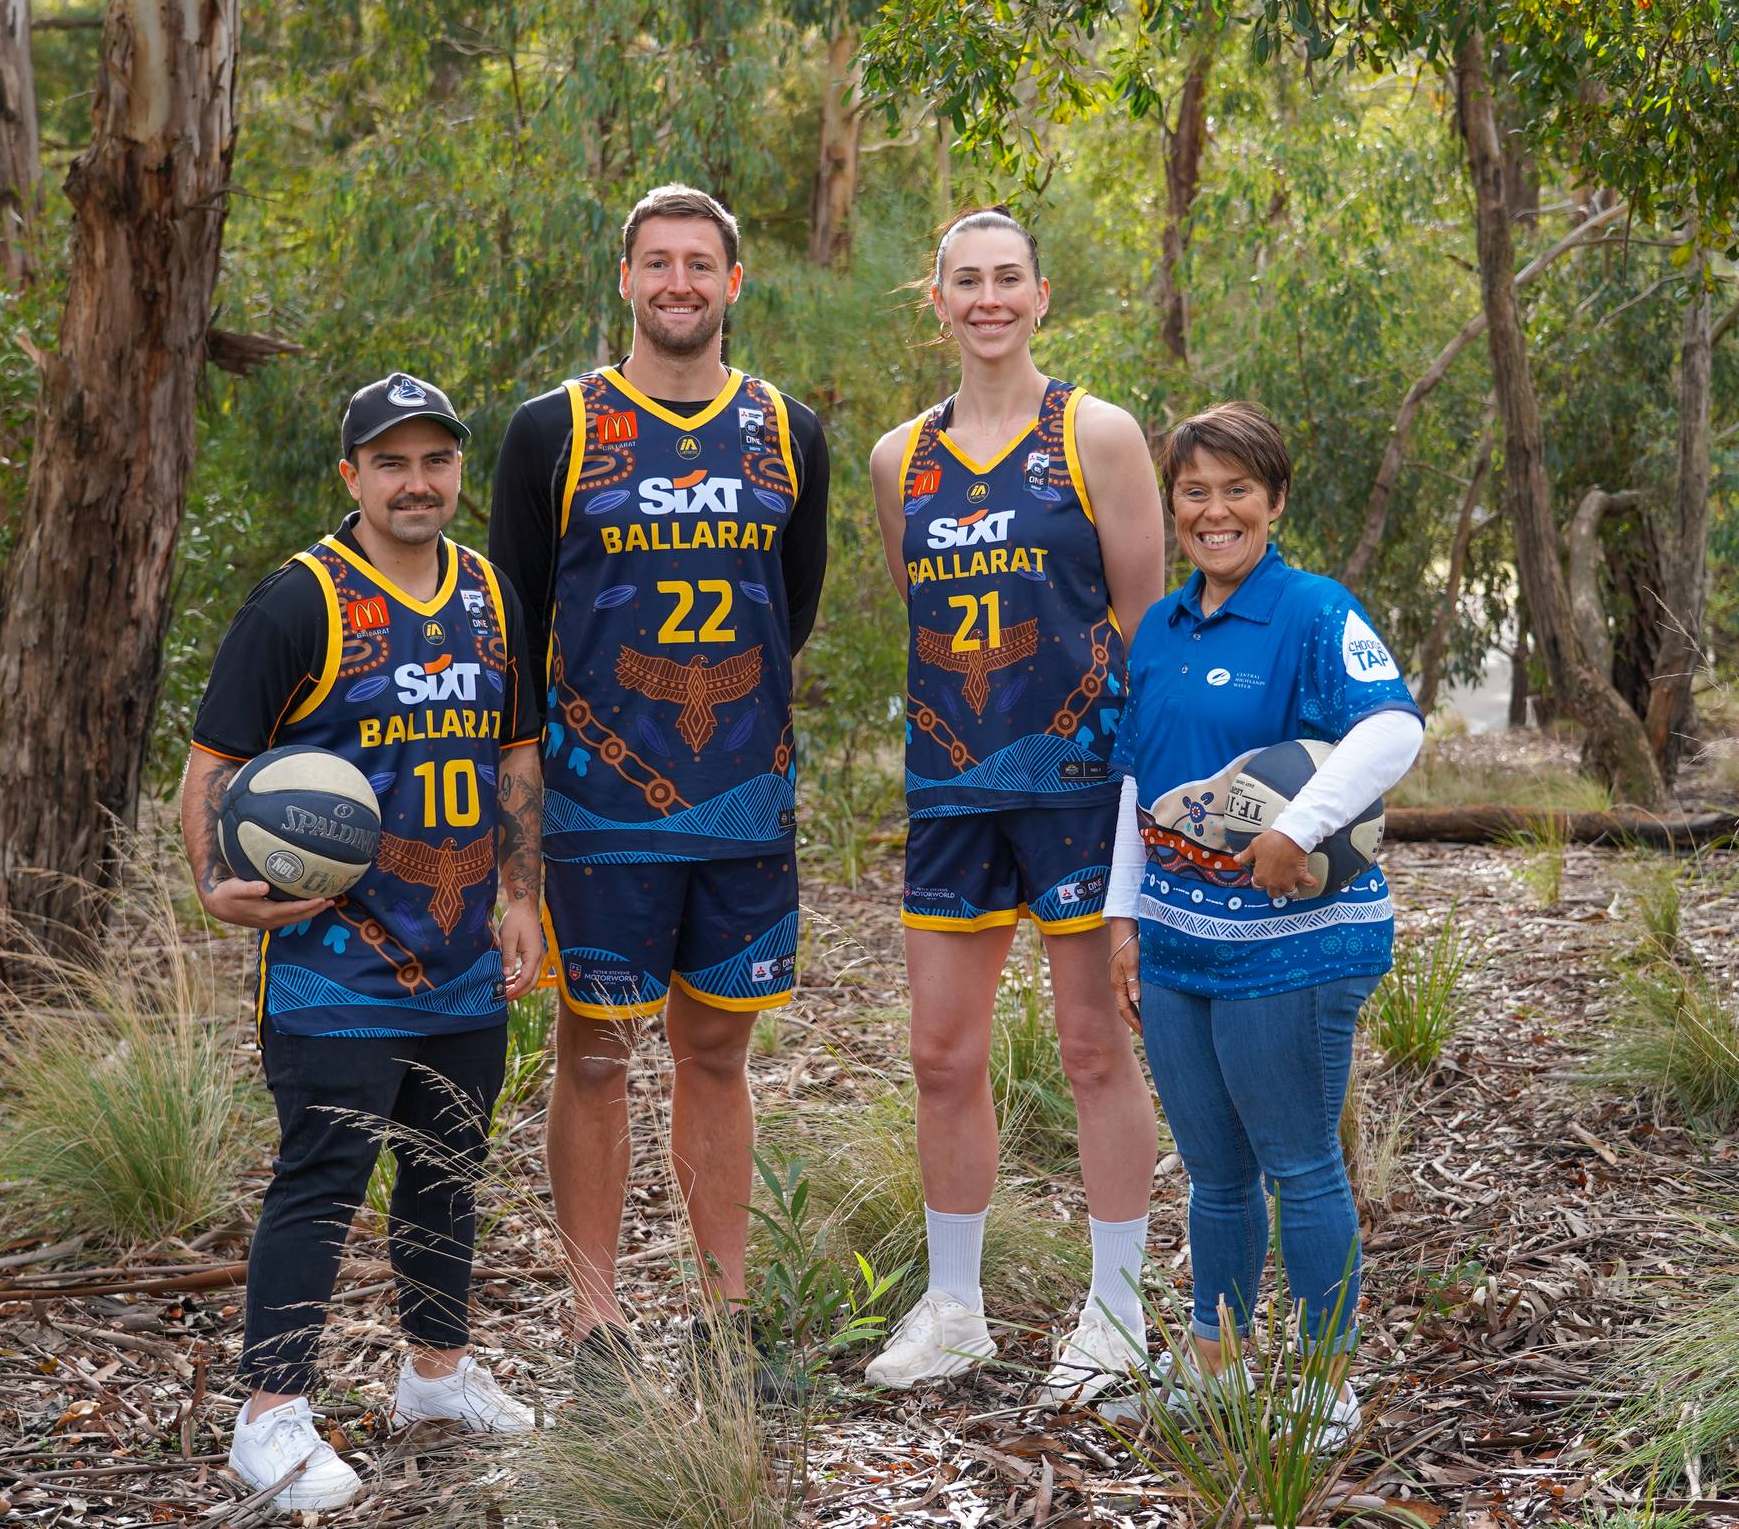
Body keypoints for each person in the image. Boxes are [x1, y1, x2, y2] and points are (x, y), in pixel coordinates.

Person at [182, 372, 547, 1513]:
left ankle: (434, 1374)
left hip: (459, 955)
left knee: (445, 1172)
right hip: (332, 965)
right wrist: (212, 884)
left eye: (436, 460)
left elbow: (515, 758)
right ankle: (270, 1416)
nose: (417, 481)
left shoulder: (489, 595)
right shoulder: (299, 603)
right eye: (391, 462)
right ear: (351, 477)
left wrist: (523, 896)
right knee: (322, 1177)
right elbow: (208, 771)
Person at [486, 184, 830, 1386]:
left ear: (734, 284)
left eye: (700, 264)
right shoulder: (553, 432)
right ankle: (592, 1328)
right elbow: (515, 637)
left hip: (740, 805)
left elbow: (792, 611)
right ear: (624, 280)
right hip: (595, 811)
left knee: (716, 1054)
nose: (678, 282)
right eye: (656, 262)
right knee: (592, 1055)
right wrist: (515, 859)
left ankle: (723, 1325)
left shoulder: (787, 431)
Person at [862, 208, 1166, 1403]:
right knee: (942, 1053)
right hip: (952, 793)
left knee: (1093, 1047)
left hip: (1084, 791)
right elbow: (918, 611)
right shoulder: (901, 459)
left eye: (1007, 279)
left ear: (1041, 296)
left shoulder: (1098, 434)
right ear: (932, 301)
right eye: (963, 281)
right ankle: (954, 1308)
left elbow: (1143, 628)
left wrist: (1150, 814)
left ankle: (1117, 1310)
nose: (986, 298)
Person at [1103, 401, 1424, 1449]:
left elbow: (1389, 729)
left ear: (1274, 500)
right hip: (1176, 941)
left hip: (1295, 944)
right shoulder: (1159, 626)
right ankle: (1215, 1371)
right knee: (1213, 1174)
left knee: (1296, 1164)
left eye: (1236, 489)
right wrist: (1120, 920)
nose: (1213, 510)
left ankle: (1325, 1387)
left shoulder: (1311, 610)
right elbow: (1137, 787)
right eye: (1193, 490)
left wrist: (1298, 823)